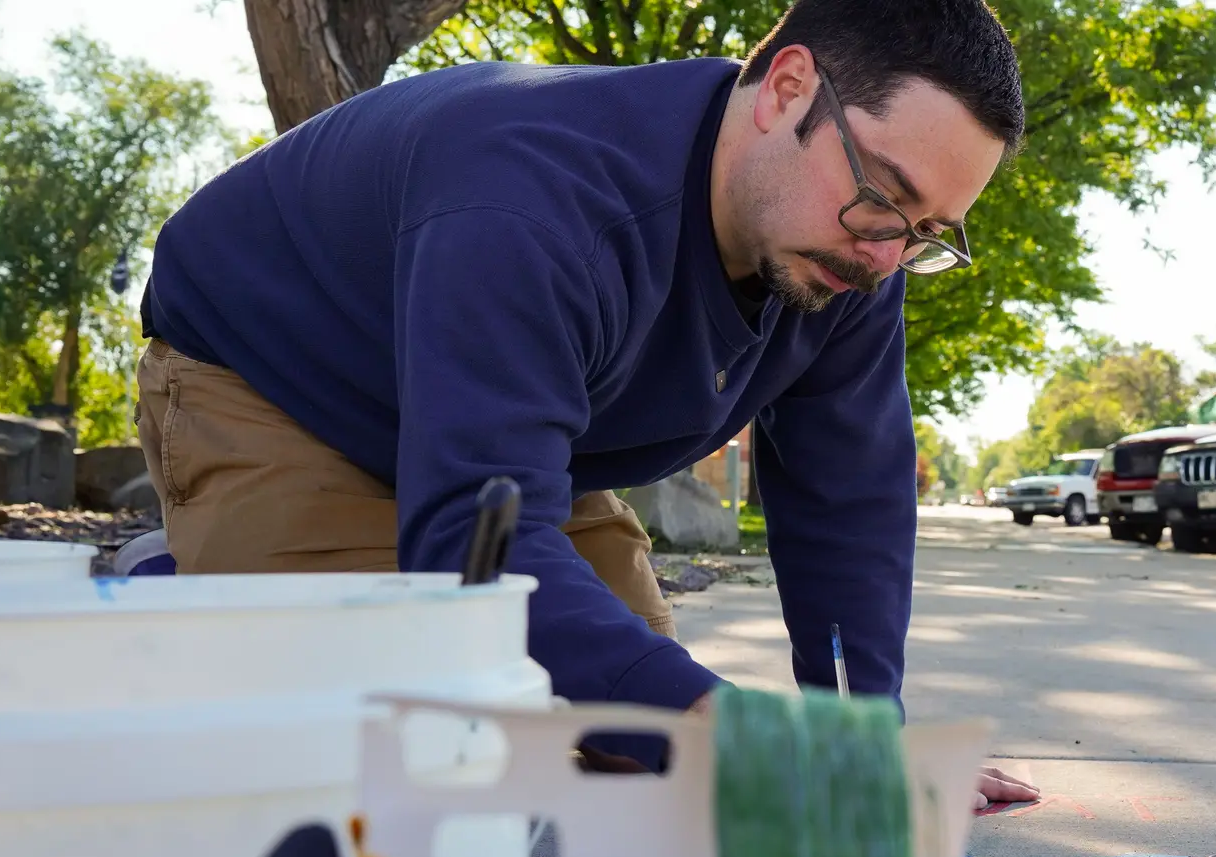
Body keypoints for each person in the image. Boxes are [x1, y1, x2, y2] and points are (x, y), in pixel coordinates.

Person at [134, 0, 1037, 810]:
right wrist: (745, 736)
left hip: (503, 445)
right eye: (884, 195)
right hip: (281, 386)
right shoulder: (534, 193)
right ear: (788, 88)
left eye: (927, 236)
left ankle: (266, 603)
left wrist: (858, 741)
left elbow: (850, 507)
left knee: (641, 757)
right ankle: (169, 608)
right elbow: (472, 536)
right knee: (395, 770)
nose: (886, 257)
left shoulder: (851, 268)